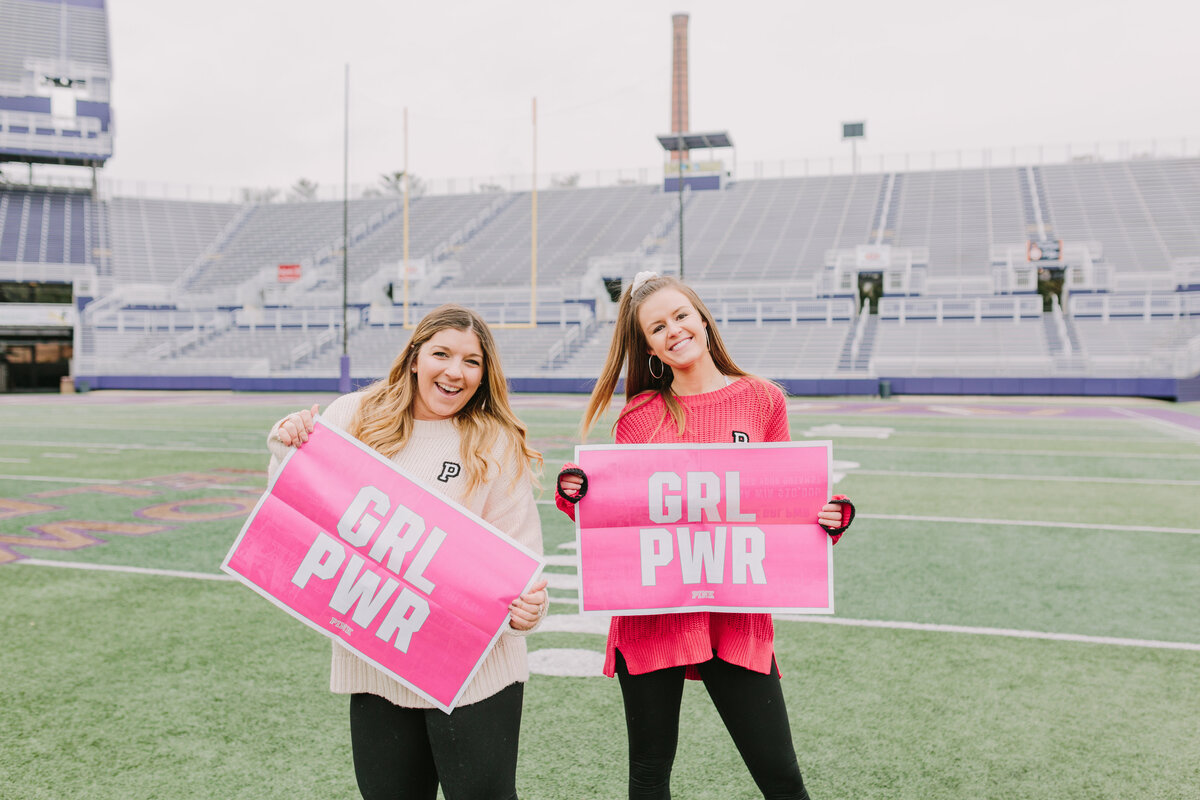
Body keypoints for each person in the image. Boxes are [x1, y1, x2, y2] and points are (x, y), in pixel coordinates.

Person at [555, 272, 854, 800]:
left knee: (782, 778)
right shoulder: (639, 417)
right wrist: (575, 497)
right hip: (651, 618)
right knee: (649, 776)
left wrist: (829, 517)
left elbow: (785, 509)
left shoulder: (762, 400)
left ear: (702, 319)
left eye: (680, 316)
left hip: (734, 614)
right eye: (657, 327)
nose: (673, 331)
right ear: (647, 347)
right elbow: (624, 525)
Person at [268, 303, 548, 800]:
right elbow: (297, 516)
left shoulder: (495, 441)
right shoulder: (353, 415)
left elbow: (521, 560)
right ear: (415, 356)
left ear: (484, 375)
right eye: (442, 353)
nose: (454, 372)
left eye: (471, 361)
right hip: (380, 666)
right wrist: (286, 450)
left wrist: (530, 606)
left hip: (475, 674)